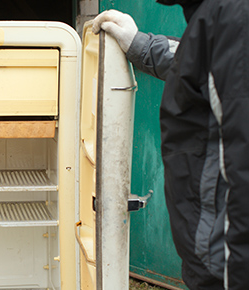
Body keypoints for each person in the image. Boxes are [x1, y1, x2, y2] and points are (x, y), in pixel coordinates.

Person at [92, 1, 249, 289]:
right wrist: (139, 44)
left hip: (226, 267)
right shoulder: (219, 19)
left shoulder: (233, 17)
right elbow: (205, 65)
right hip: (213, 260)